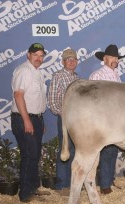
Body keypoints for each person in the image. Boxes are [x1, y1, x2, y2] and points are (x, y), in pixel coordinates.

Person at [11, 43, 50, 203]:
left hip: (35, 118)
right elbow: (18, 96)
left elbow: (37, 98)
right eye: (36, 55)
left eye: (41, 56)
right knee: (29, 155)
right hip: (24, 118)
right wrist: (27, 120)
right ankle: (25, 194)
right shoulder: (23, 71)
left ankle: (33, 187)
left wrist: (39, 120)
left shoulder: (37, 72)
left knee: (34, 155)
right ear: (28, 55)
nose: (39, 58)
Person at [89, 44, 125, 195]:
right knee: (105, 151)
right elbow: (92, 99)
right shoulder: (97, 75)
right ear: (104, 58)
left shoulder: (117, 75)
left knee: (112, 150)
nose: (115, 60)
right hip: (103, 119)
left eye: (116, 58)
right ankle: (104, 185)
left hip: (116, 119)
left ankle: (109, 180)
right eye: (111, 57)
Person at [47, 48, 80, 196]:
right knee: (65, 149)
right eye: (69, 60)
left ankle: (73, 183)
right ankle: (62, 185)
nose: (72, 62)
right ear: (63, 62)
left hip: (78, 121)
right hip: (66, 119)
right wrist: (65, 114)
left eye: (74, 59)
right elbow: (52, 102)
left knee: (76, 151)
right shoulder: (58, 77)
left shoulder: (77, 78)